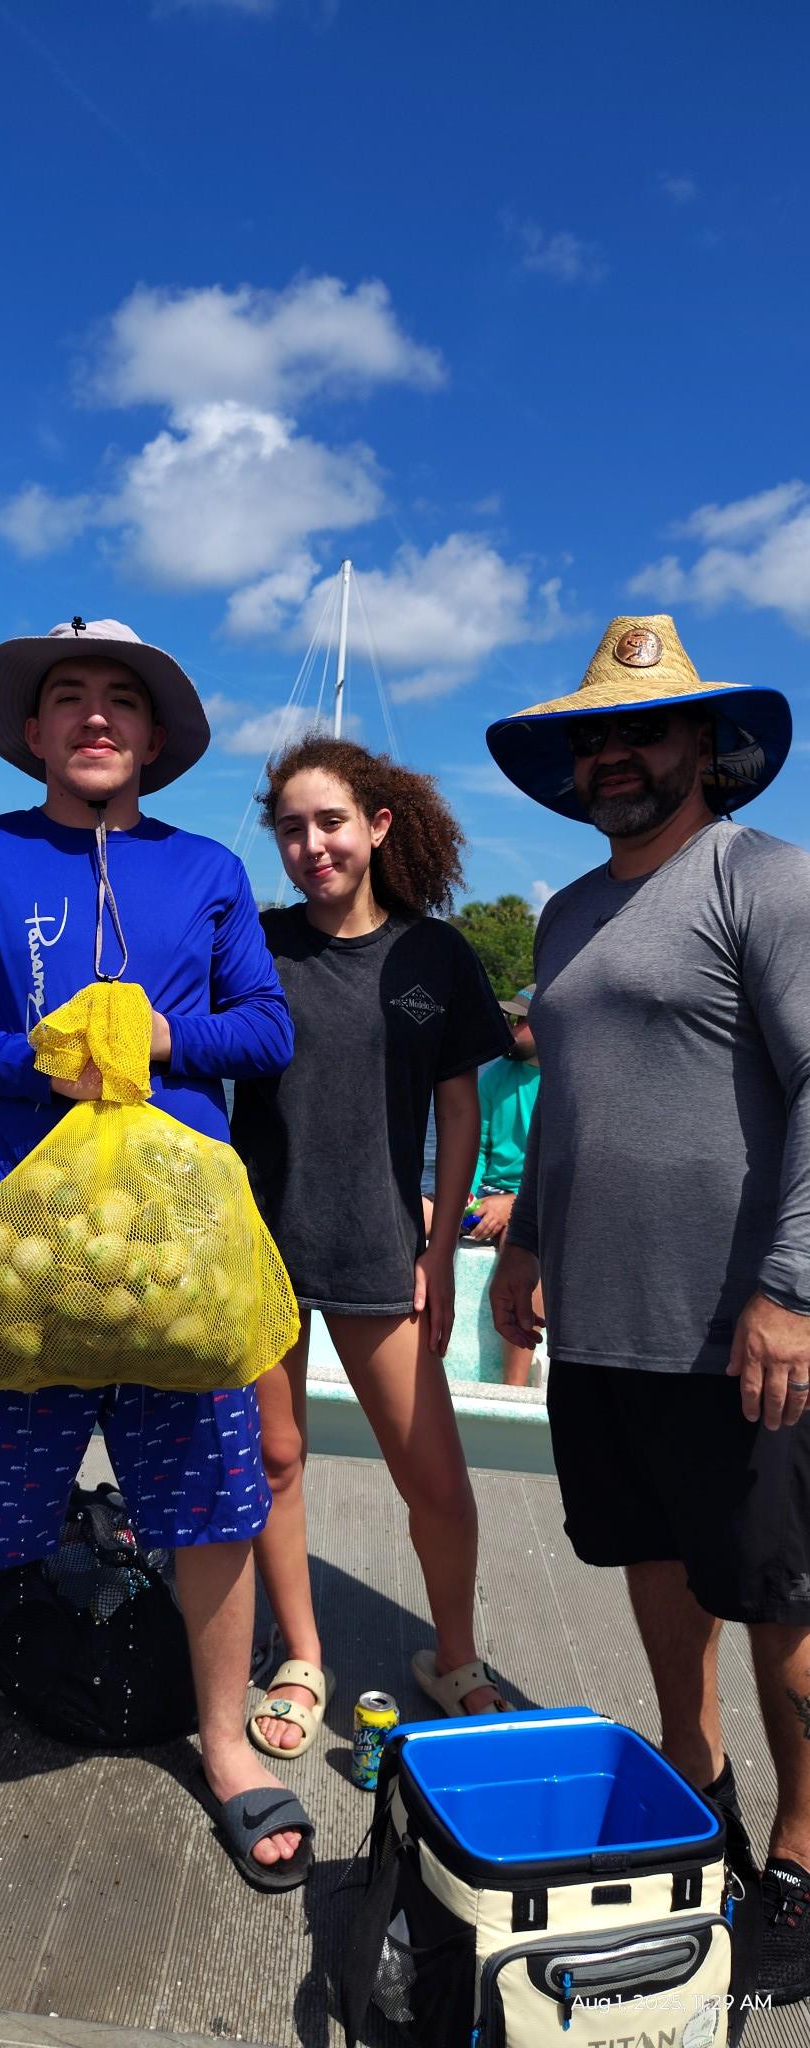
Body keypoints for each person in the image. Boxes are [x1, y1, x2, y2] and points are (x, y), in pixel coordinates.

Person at [0, 617, 316, 1900]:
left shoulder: (203, 870)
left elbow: (265, 1028)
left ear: (156, 739)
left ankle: (223, 1745)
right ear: (32, 733)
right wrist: (42, 1051)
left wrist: (154, 1034)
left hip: (179, 1266)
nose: (95, 716)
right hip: (21, 1261)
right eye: (68, 698)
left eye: (121, 702)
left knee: (213, 1513)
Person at [485, 613, 810, 2007]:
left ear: (705, 746)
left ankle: (802, 1853)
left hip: (741, 1329)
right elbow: (567, 1100)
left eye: (643, 730)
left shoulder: (766, 882)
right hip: (605, 1322)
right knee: (652, 1566)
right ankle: (701, 1782)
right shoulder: (565, 914)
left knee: (781, 1598)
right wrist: (526, 1244)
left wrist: (792, 1291)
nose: (615, 756)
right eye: (594, 737)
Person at [230, 734, 515, 1755]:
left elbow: (458, 1108)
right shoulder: (252, 944)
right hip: (258, 1245)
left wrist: (437, 1245)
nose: (312, 844)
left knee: (433, 1472)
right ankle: (302, 1654)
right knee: (273, 1455)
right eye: (293, 827)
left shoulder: (433, 955)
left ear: (376, 826)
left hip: (378, 1243)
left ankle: (455, 1653)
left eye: (331, 822)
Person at [464, 985, 543, 1386]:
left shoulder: (568, 1081)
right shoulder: (495, 1075)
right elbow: (475, 1147)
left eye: (520, 1021)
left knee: (522, 1237)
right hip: (488, 1197)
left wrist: (513, 1203)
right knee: (414, 1215)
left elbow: (560, 1166)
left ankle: (513, 1388)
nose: (509, 1029)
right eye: (509, 1019)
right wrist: (465, 1191)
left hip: (536, 1202)